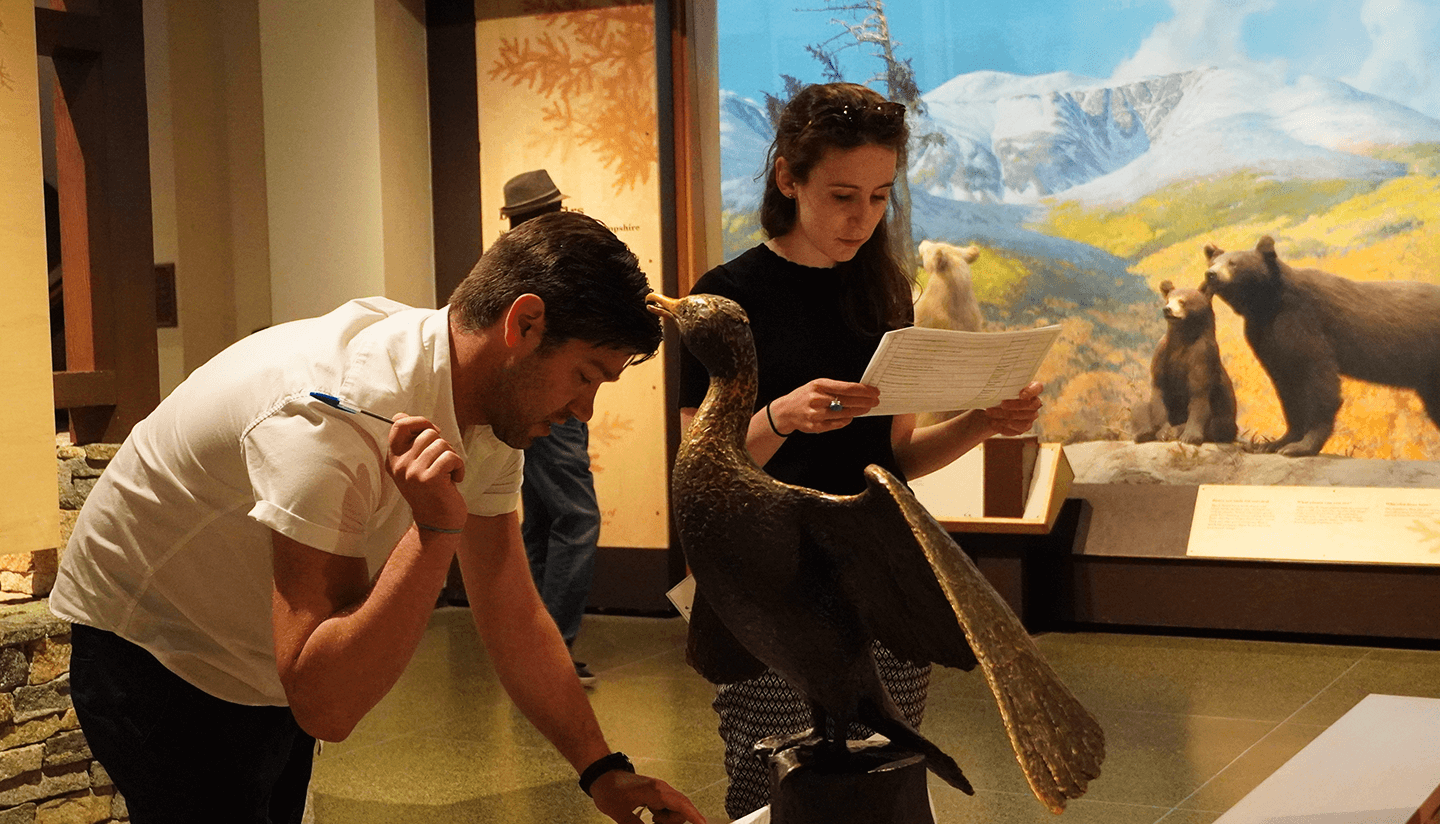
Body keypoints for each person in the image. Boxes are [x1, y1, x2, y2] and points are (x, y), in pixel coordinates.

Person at [51, 211, 707, 824]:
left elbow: (507, 600)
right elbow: (326, 703)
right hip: (152, 645)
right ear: (524, 324)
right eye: (585, 375)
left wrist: (601, 769)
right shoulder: (330, 416)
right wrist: (434, 535)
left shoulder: (486, 405)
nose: (585, 410)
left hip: (257, 650)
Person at [676, 81, 1044, 819]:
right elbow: (702, 464)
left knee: (881, 778)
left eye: (880, 197)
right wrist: (781, 416)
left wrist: (980, 423)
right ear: (789, 177)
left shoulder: (883, 292)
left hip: (877, 571)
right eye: (844, 195)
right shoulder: (726, 297)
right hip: (771, 581)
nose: (862, 218)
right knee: (772, 785)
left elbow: (895, 460)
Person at [502, 170, 604, 687]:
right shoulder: (546, 267)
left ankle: (536, 647)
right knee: (578, 518)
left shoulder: (510, 267)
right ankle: (555, 651)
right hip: (554, 405)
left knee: (542, 522)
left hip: (530, 407)